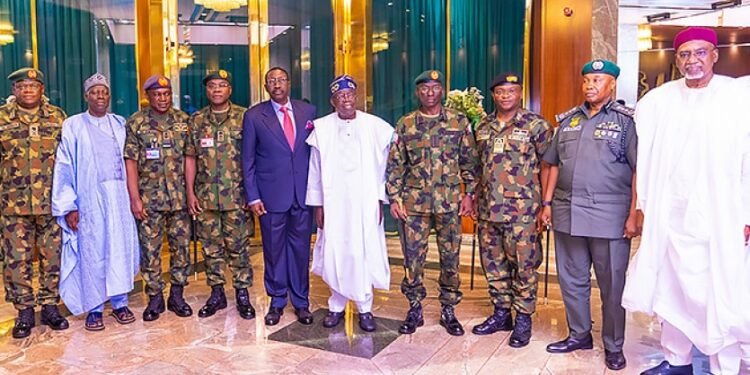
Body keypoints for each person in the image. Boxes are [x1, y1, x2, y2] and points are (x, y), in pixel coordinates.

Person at [622, 27, 750, 375]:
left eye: (700, 53)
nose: (692, 60)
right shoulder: (658, 101)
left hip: (721, 214)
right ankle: (676, 361)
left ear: (714, 55)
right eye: (684, 54)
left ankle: (723, 367)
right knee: (671, 285)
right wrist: (643, 205)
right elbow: (645, 158)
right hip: (670, 212)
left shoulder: (738, 97)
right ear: (677, 59)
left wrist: (747, 213)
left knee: (718, 290)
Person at [540, 59, 637, 371]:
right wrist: (546, 203)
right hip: (568, 213)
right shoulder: (568, 122)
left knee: (612, 285)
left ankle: (613, 345)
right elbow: (552, 164)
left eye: (598, 80)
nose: (591, 85)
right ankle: (579, 334)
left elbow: (639, 171)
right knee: (572, 280)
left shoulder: (627, 122)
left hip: (610, 216)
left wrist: (635, 213)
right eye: (587, 80)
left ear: (612, 85)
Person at [386, 69, 479, 336]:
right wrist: (394, 198)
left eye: (435, 87)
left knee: (450, 258)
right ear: (418, 92)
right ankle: (414, 307)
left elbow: (469, 161)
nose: (430, 93)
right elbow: (395, 165)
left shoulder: (459, 122)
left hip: (449, 203)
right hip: (414, 205)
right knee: (413, 259)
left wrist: (469, 194)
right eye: (424, 88)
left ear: (442, 91)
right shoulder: (406, 124)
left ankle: (448, 309)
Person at [306, 75, 394, 332]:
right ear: (333, 101)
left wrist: (380, 199)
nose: (346, 99)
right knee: (337, 251)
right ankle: (336, 306)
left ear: (356, 97)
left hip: (365, 202)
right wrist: (318, 205)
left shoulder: (375, 126)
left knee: (362, 251)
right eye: (340, 96)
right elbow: (315, 169)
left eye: (350, 94)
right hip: (333, 203)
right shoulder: (321, 128)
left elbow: (384, 166)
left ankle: (365, 309)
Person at [471, 73, 553, 348]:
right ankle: (501, 313)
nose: (506, 96)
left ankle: (523, 319)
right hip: (488, 210)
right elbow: (476, 167)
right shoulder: (482, 126)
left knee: (525, 266)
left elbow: (549, 165)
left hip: (523, 213)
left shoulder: (536, 125)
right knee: (493, 266)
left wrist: (546, 205)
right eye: (500, 92)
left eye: (511, 91)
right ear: (494, 95)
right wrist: (470, 196)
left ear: (520, 93)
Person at [52, 73, 139, 331]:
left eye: (104, 92)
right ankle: (95, 307)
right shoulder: (73, 125)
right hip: (88, 200)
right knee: (93, 252)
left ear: (109, 96)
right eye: (94, 92)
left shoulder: (120, 123)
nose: (100, 97)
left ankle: (120, 302)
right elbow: (64, 167)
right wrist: (69, 206)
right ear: (86, 96)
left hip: (119, 200)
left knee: (118, 250)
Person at [242, 67, 317, 326]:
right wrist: (253, 197)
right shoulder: (254, 116)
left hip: (302, 195)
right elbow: (247, 160)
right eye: (271, 81)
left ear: (289, 83)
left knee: (300, 250)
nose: (277, 84)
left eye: (281, 80)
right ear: (265, 86)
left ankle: (301, 302)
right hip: (270, 196)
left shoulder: (308, 112)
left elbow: (316, 155)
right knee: (273, 250)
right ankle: (276, 301)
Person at [0, 67, 69, 338]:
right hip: (13, 205)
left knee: (52, 257)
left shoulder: (58, 117)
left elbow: (68, 160)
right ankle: (25, 311)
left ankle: (50, 306)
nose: (27, 90)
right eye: (22, 86)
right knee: (17, 259)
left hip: (51, 203)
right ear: (14, 91)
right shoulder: (2, 118)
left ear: (42, 89)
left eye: (33, 85)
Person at [185, 70, 255, 320]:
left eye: (222, 85)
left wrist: (252, 192)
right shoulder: (196, 120)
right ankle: (217, 293)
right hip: (206, 198)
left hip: (237, 197)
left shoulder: (245, 117)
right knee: (211, 249)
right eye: (212, 85)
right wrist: (190, 192)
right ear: (207, 90)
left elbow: (254, 157)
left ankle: (242, 294)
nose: (217, 89)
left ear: (230, 90)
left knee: (239, 248)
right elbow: (190, 158)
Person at [124, 74, 193, 321]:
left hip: (179, 199)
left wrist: (191, 193)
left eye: (166, 94)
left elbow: (189, 159)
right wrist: (135, 198)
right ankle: (154, 298)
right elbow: (130, 162)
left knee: (181, 249)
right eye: (157, 94)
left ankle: (177, 295)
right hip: (149, 199)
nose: (162, 98)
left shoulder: (183, 121)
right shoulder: (136, 123)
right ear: (148, 96)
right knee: (151, 250)